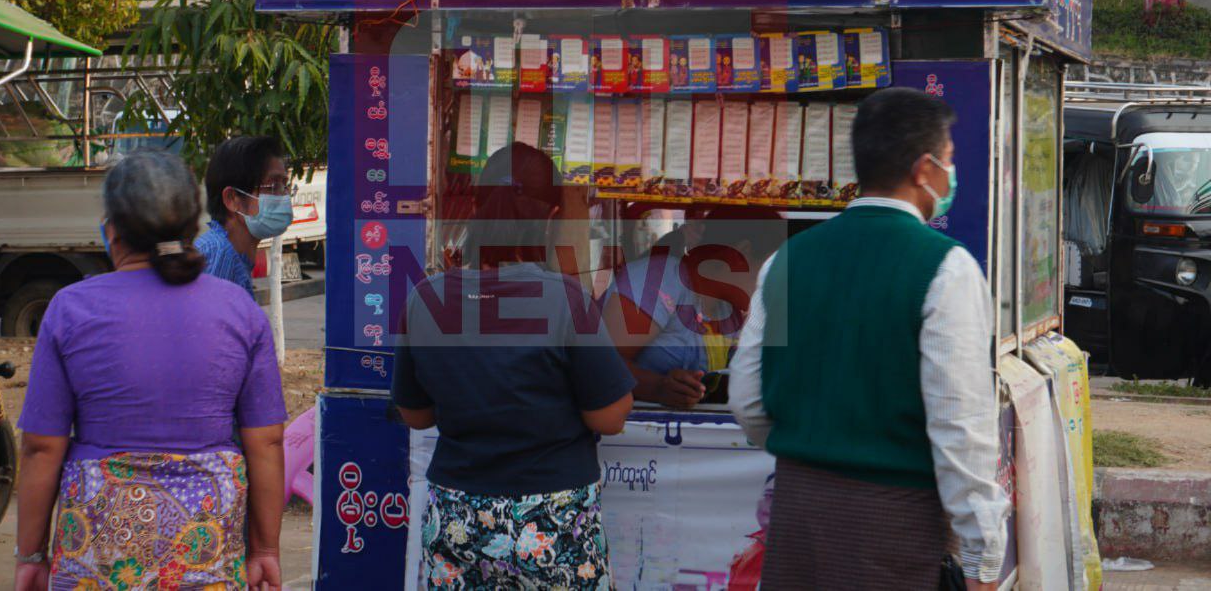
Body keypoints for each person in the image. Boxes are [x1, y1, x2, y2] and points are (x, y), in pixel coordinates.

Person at [729, 87, 1009, 590]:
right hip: (894, 531)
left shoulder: (786, 260)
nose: (951, 173)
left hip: (796, 526)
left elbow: (748, 402)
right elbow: (960, 430)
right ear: (925, 170)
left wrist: (815, 450)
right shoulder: (947, 269)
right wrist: (983, 561)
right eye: (948, 160)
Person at [14, 151, 287, 591]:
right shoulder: (239, 309)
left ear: (112, 230)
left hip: (95, 560)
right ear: (192, 227)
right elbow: (267, 441)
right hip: (208, 555)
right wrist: (265, 551)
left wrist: (30, 556)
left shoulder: (70, 308)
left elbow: (41, 448)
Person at [394, 143, 635, 588]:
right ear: (551, 218)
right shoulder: (567, 300)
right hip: (552, 520)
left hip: (457, 520)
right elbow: (611, 416)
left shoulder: (425, 299)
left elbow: (415, 414)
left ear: (476, 206)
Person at [603, 208, 787, 409]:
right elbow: (601, 362)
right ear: (741, 252)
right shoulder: (657, 281)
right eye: (771, 267)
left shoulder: (731, 309)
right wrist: (657, 387)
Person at [196, 136, 294, 296]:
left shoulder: (233, 255)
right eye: (273, 185)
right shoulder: (220, 256)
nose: (284, 196)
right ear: (232, 199)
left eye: (285, 185)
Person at [727, 473, 773, 590]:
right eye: (767, 495)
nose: (768, 503)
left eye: (777, 497)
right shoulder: (747, 547)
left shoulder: (800, 554)